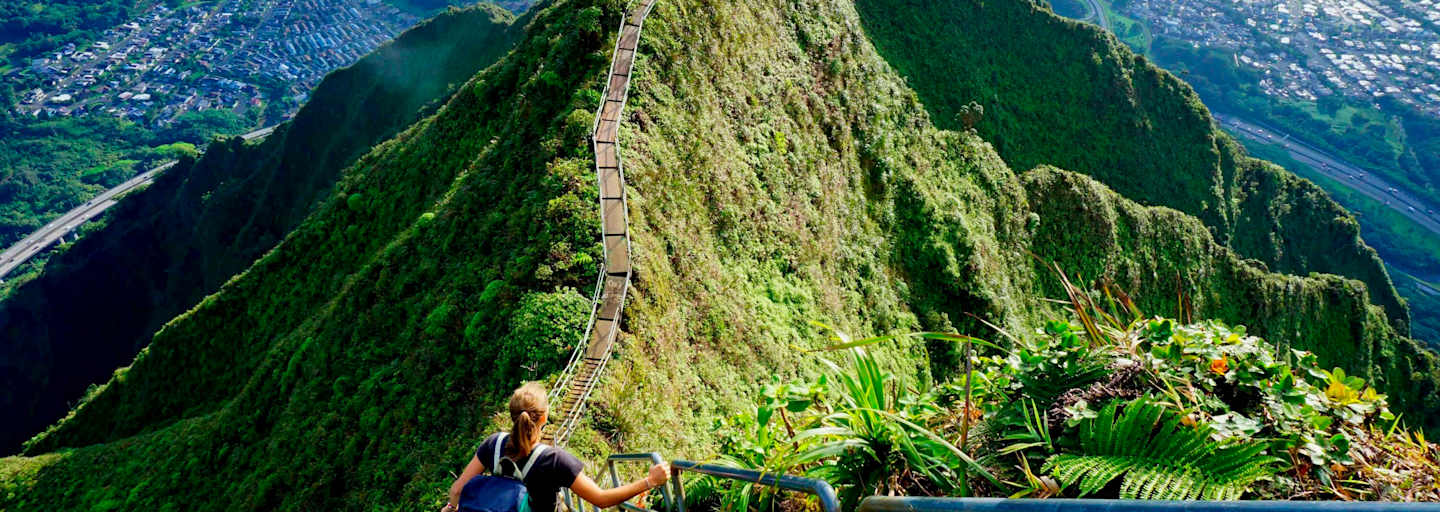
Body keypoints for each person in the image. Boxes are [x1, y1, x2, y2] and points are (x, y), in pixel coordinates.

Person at [442, 382, 670, 512]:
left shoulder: (493, 443)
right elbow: (601, 499)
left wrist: (452, 508)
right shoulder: (554, 461)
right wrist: (650, 481)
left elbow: (456, 490)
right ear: (544, 418)